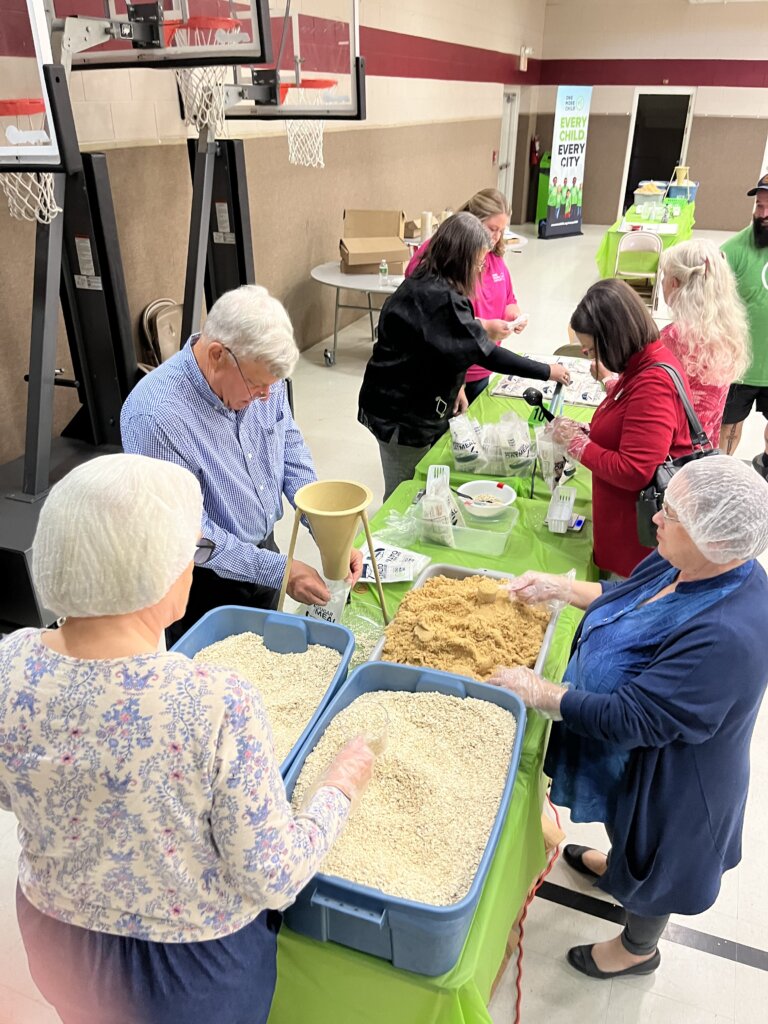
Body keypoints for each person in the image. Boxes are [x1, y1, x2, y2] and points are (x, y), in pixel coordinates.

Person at [0, 453, 375, 1024]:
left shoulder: (8, 662)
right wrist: (338, 788)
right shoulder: (216, 701)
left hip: (55, 939)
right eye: (194, 554)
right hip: (186, 974)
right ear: (156, 572)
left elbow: (13, 789)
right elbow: (273, 876)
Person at [492, 456, 768, 980]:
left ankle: (638, 948)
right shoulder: (685, 558)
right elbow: (625, 598)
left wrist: (541, 691)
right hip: (630, 760)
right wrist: (560, 588)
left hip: (677, 780)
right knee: (624, 832)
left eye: (670, 514)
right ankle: (619, 868)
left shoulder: (727, 636)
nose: (656, 520)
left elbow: (634, 717)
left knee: (655, 862)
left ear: (716, 538)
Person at [121, 285, 362, 644]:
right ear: (217, 354)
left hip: (262, 549)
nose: (265, 396)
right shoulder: (156, 417)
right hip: (201, 582)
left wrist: (328, 530)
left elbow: (289, 447)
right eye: (256, 385)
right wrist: (280, 572)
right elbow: (189, 537)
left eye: (273, 385)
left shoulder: (262, 375)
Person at [358, 213, 571, 501]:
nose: (481, 269)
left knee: (425, 480)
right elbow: (486, 353)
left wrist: (455, 384)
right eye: (478, 262)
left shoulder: (433, 281)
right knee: (404, 492)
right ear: (460, 258)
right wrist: (547, 371)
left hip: (413, 401)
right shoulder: (439, 297)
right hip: (399, 415)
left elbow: (440, 345)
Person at [551, 279, 694, 578]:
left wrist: (578, 445)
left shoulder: (653, 383)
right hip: (627, 526)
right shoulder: (645, 361)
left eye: (591, 350)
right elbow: (630, 417)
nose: (590, 356)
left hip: (636, 542)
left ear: (614, 338)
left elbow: (634, 470)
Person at [405, 189, 528, 405]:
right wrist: (485, 327)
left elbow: (508, 297)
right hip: (447, 370)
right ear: (472, 221)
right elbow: (436, 319)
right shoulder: (439, 258)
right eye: (492, 229)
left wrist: (512, 312)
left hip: (482, 366)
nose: (496, 237)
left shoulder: (493, 256)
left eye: (502, 231)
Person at [659, 239, 750, 445]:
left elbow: (647, 400)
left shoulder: (673, 338)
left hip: (673, 451)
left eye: (665, 276)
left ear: (675, 283)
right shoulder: (727, 330)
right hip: (705, 446)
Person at [719, 173, 768, 476]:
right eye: (760, 206)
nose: (762, 214)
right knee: (727, 431)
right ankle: (720, 476)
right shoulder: (733, 250)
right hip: (741, 367)